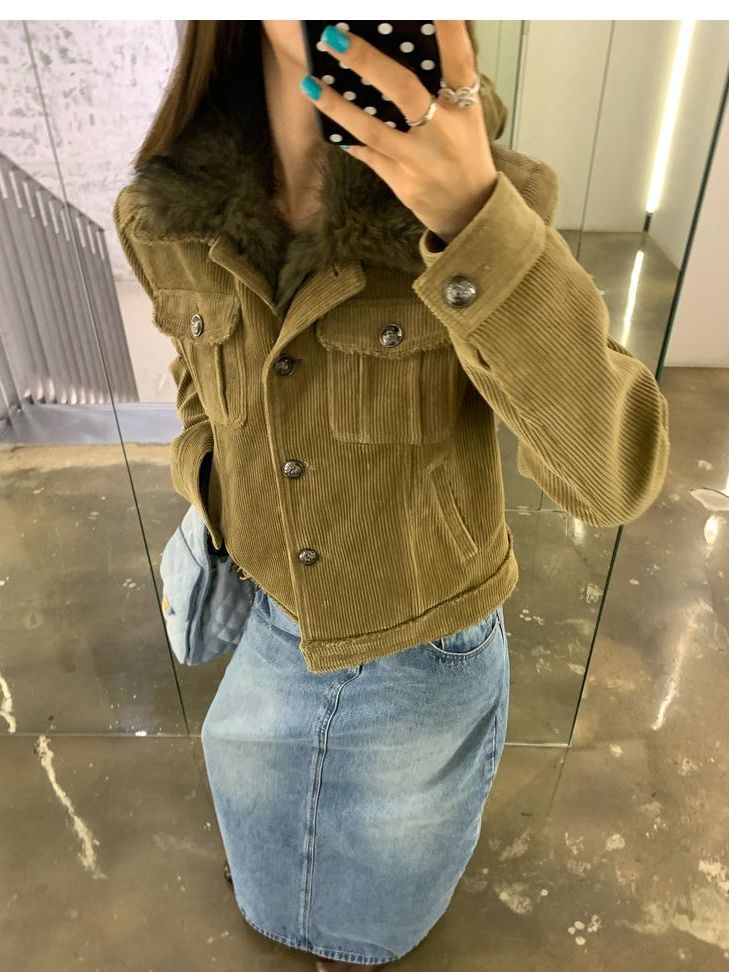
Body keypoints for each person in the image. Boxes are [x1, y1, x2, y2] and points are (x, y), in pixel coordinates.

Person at [113, 20, 670, 970]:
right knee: (272, 892)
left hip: (419, 662)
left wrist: (475, 227)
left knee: (369, 930)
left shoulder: (489, 210)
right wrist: (215, 495)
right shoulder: (163, 214)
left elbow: (611, 475)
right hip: (270, 633)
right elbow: (196, 384)